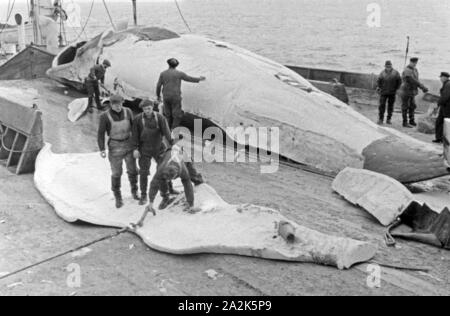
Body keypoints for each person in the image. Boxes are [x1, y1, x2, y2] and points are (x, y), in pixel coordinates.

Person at [131, 99, 178, 206]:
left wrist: (173, 143)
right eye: (145, 109)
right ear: (142, 109)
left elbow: (167, 132)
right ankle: (143, 195)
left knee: (163, 170)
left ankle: (167, 193)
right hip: (144, 149)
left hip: (159, 148)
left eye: (149, 108)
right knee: (143, 172)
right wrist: (135, 149)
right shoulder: (138, 119)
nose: (147, 111)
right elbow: (134, 135)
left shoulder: (160, 118)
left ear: (153, 108)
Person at [98, 94, 139, 209]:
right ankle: (118, 196)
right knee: (116, 173)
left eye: (120, 104)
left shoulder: (128, 112)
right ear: (111, 105)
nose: (118, 107)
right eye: (116, 105)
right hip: (115, 146)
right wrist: (101, 149)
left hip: (128, 143)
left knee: (133, 170)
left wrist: (137, 145)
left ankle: (135, 191)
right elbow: (100, 133)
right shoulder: (104, 116)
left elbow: (134, 128)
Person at [148, 145, 204, 212]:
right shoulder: (162, 168)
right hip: (168, 154)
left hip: (184, 155)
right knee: (160, 180)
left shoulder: (183, 170)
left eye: (169, 179)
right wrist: (151, 202)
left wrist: (191, 205)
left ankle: (198, 180)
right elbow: (154, 184)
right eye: (167, 179)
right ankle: (165, 197)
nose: (168, 180)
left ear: (176, 175)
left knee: (194, 178)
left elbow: (187, 184)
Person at [156, 58, 206, 130]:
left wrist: (158, 96)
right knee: (177, 116)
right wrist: (200, 79)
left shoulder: (163, 73)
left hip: (166, 96)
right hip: (175, 97)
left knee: (167, 115)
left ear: (168, 64)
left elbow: (158, 86)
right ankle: (173, 131)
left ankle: (166, 130)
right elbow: (190, 79)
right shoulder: (179, 74)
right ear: (176, 65)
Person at [399, 57, 429, 128]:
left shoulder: (415, 70)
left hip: (412, 91)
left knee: (412, 106)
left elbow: (416, 80)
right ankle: (405, 122)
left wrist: (421, 87)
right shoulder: (407, 70)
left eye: (415, 63)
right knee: (405, 106)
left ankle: (411, 121)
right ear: (410, 62)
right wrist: (422, 87)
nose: (415, 64)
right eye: (413, 63)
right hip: (405, 91)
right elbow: (412, 80)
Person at [376, 61, 402, 125]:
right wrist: (378, 87)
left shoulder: (396, 73)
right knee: (382, 105)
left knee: (390, 106)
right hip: (383, 92)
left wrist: (397, 89)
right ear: (385, 66)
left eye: (389, 66)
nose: (388, 68)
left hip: (392, 93)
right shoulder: (382, 73)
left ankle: (388, 119)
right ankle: (381, 119)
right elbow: (378, 81)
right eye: (387, 66)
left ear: (391, 66)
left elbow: (399, 81)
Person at [434, 72, 450, 143]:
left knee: (442, 123)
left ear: (445, 77)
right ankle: (439, 138)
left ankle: (441, 139)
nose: (440, 78)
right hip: (445, 106)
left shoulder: (448, 85)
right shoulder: (446, 84)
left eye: (441, 77)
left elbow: (445, 97)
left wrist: (438, 104)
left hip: (447, 107)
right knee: (440, 122)